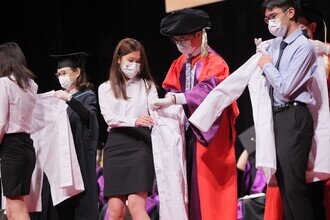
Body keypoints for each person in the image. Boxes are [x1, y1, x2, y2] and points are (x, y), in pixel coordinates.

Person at [151, 8, 239, 220]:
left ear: (200, 35)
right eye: (176, 40)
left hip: (209, 136)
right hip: (184, 133)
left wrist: (177, 98)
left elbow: (210, 92)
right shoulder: (179, 63)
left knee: (207, 189)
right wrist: (167, 101)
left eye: (183, 38)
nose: (180, 44)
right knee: (185, 186)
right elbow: (170, 88)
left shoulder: (215, 62)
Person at [263, 4, 330, 220]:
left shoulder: (303, 47)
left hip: (294, 115)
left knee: (294, 186)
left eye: (273, 16)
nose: (270, 23)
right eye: (267, 19)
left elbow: (286, 88)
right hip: (277, 117)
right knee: (284, 187)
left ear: (290, 13)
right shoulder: (274, 45)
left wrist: (266, 66)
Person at [32, 52, 99, 220]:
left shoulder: (87, 96)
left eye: (64, 73)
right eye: (59, 74)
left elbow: (89, 118)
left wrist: (70, 99)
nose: (61, 77)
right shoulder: (57, 100)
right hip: (61, 161)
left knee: (79, 208)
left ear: (77, 72)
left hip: (79, 155)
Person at [98, 38, 158, 220]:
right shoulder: (105, 88)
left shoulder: (147, 85)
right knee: (115, 210)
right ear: (118, 60)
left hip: (140, 145)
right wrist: (134, 120)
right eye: (130, 61)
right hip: (115, 146)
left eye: (138, 62)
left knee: (135, 205)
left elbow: (154, 112)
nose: (134, 65)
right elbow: (110, 118)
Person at [0, 42, 38, 220]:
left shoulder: (4, 83)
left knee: (15, 204)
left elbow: (1, 123)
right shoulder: (32, 85)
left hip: (11, 146)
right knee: (13, 202)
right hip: (26, 146)